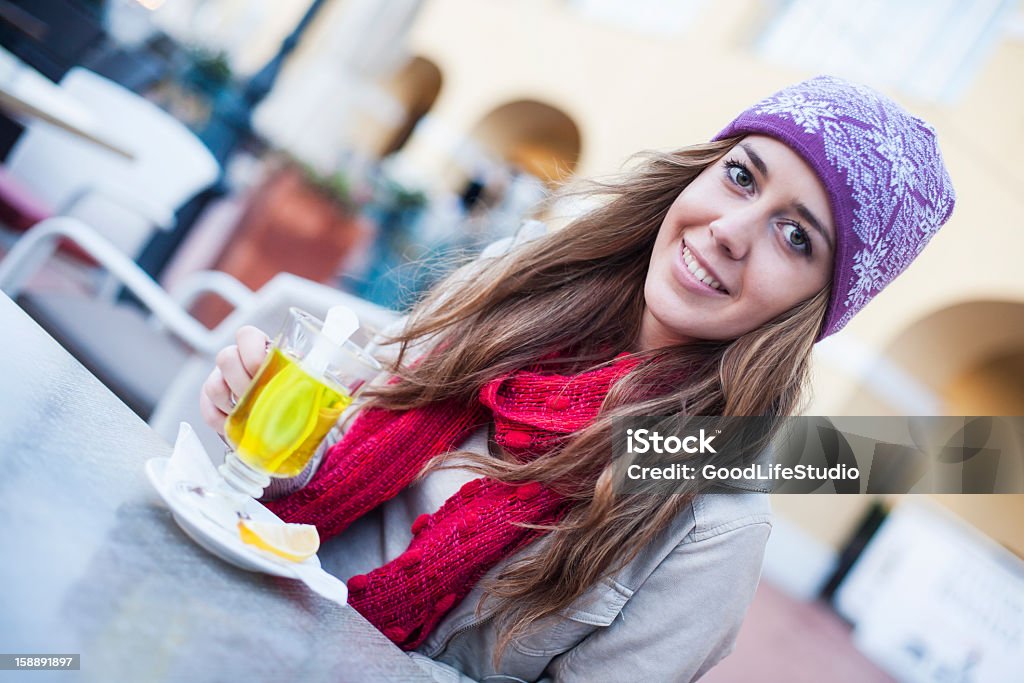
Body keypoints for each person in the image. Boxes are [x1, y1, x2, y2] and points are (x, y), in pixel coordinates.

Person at [199, 76, 955, 682]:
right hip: (223, 601)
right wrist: (264, 438)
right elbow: (326, 444)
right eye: (740, 176)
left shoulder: (712, 520)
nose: (730, 230)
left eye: (795, 237)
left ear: (817, 306)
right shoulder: (524, 273)